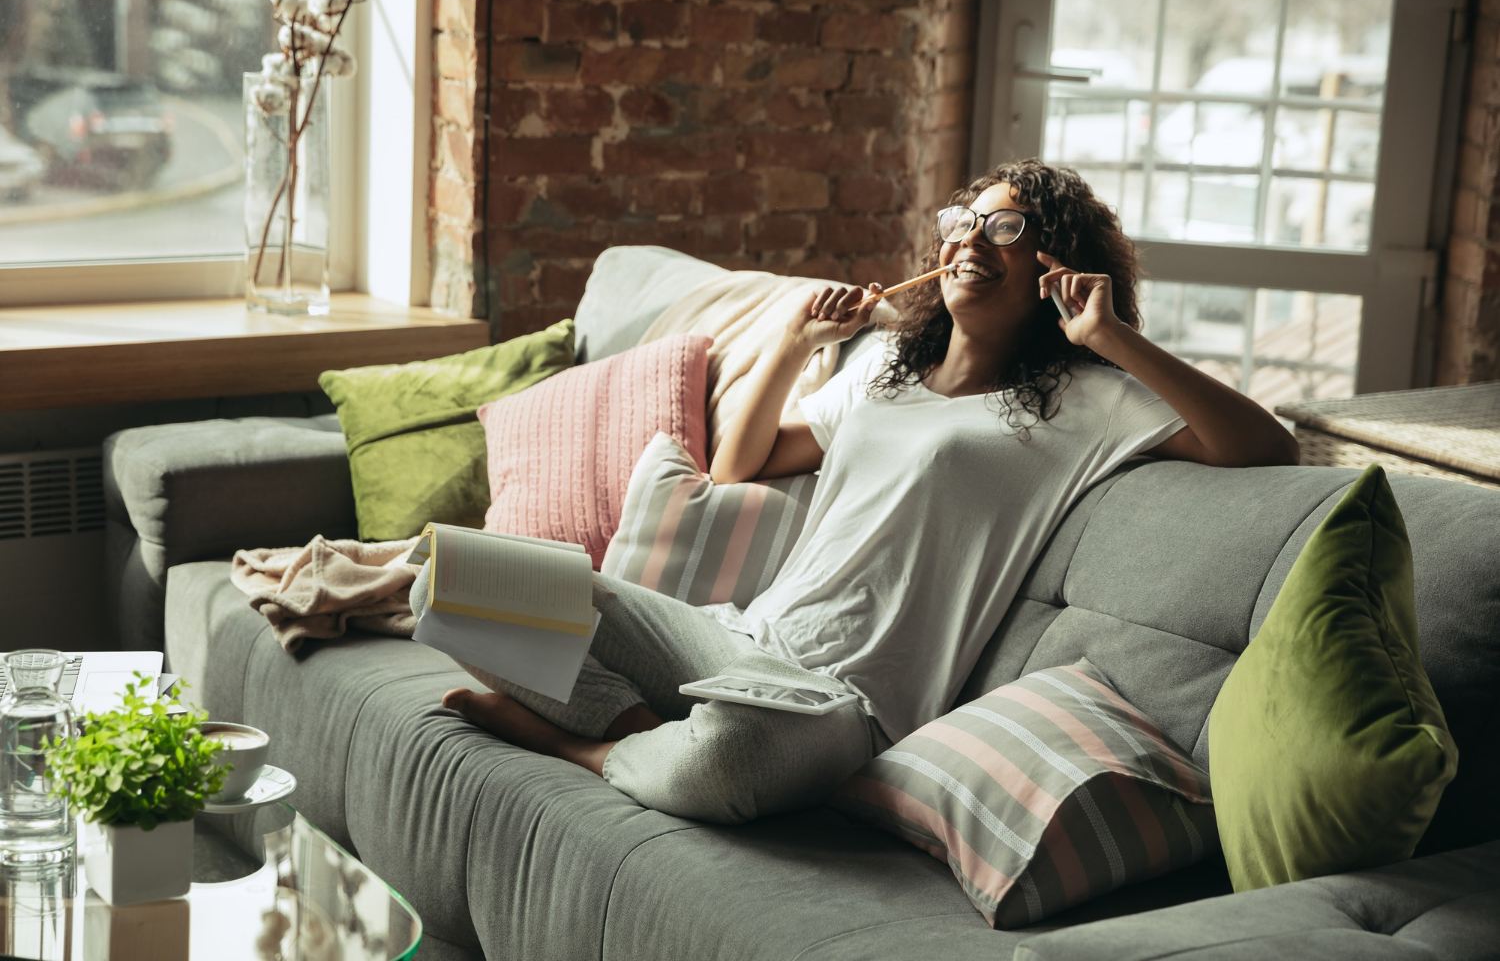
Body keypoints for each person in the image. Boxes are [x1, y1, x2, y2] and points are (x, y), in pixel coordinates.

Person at [439, 159, 1298, 824]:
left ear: (1053, 262)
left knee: (730, 761)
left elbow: (1267, 446)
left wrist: (1111, 338)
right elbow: (741, 464)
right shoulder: (887, 376)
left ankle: (583, 748)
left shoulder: (1087, 396)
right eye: (961, 222)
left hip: (848, 702)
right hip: (736, 641)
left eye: (1003, 225)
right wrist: (796, 339)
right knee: (458, 584)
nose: (968, 239)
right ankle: (633, 734)